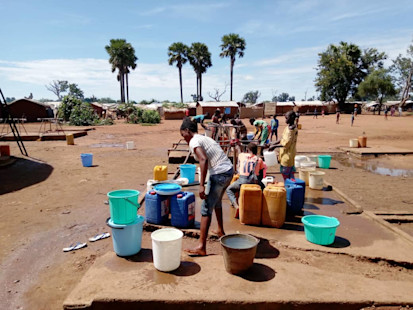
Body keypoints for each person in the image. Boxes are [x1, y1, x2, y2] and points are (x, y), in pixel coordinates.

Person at [180, 118, 233, 256]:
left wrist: (202, 185)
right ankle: (220, 230)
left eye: (183, 135)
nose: (184, 139)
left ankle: (201, 246)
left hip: (219, 173)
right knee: (217, 202)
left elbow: (203, 159)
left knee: (206, 208)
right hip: (228, 171)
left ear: (187, 131)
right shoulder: (204, 138)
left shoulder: (194, 141)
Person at [226, 142, 266, 218]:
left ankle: (236, 205)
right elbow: (261, 173)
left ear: (247, 150)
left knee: (229, 189)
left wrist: (238, 146)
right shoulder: (259, 159)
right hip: (254, 182)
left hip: (242, 181)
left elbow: (239, 151)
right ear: (256, 151)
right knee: (264, 190)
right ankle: (263, 207)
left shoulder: (242, 156)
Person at [267, 110, 298, 181]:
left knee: (286, 176)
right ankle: (291, 188)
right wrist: (272, 143)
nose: (285, 120)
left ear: (292, 118)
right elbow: (282, 138)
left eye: (286, 118)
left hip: (287, 156)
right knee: (290, 175)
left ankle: (288, 188)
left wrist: (274, 147)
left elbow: (286, 144)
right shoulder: (288, 127)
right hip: (285, 154)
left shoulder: (291, 130)